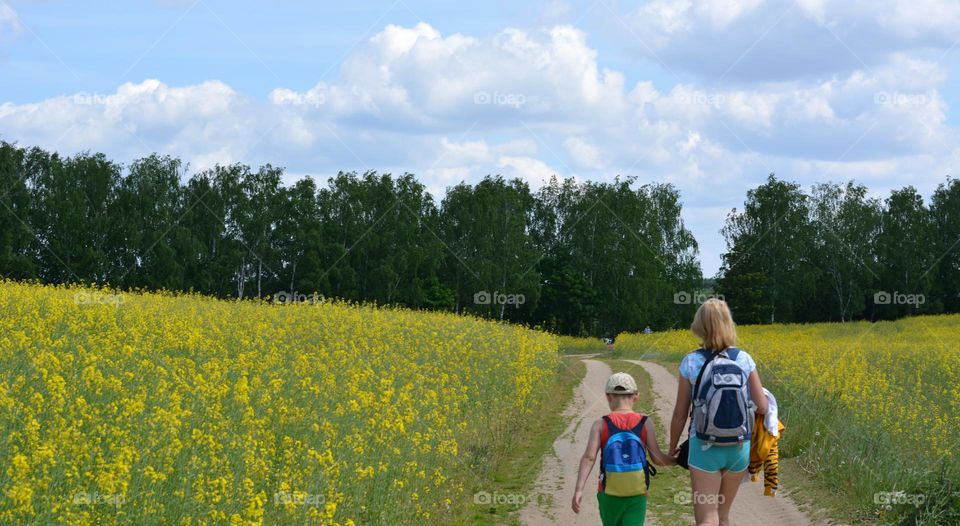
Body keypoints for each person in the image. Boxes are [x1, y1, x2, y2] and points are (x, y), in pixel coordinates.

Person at [669, 299, 768, 526]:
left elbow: (680, 414)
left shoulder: (691, 362)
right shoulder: (744, 359)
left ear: (700, 326)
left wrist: (672, 446)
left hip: (704, 447)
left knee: (707, 517)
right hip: (738, 448)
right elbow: (761, 407)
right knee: (723, 517)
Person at [572, 372, 675, 525]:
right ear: (636, 395)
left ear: (608, 396)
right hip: (637, 492)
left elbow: (589, 457)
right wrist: (676, 460)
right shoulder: (645, 423)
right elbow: (657, 458)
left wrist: (579, 489)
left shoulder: (600, 424)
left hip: (608, 493)